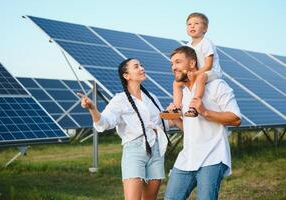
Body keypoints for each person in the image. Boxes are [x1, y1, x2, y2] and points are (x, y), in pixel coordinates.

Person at [77, 58, 172, 200]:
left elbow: (163, 124)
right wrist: (92, 108)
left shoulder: (152, 98)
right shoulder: (120, 100)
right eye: (136, 66)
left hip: (156, 150)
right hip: (134, 151)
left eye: (141, 65)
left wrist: (173, 113)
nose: (141, 68)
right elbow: (103, 123)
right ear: (126, 76)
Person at [164, 46, 241, 200]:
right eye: (172, 64)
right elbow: (189, 129)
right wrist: (174, 118)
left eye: (178, 62)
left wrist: (205, 111)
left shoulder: (217, 86)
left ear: (192, 64)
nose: (174, 67)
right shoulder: (183, 94)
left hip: (213, 157)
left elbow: (236, 119)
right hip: (187, 157)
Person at [162, 12, 223, 119]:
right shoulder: (187, 46)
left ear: (205, 29)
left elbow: (208, 65)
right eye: (189, 24)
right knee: (176, 83)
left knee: (201, 77)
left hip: (211, 72)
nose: (192, 26)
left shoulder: (206, 43)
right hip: (195, 72)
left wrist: (195, 74)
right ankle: (177, 107)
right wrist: (187, 75)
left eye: (196, 23)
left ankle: (194, 106)